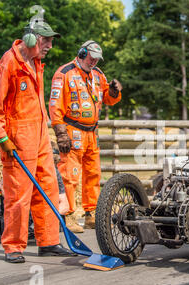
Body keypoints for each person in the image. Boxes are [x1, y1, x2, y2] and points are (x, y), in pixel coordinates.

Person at [0, 20, 75, 263]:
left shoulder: (35, 62)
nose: (50, 46)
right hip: (18, 137)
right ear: (32, 39)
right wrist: (2, 138)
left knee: (48, 188)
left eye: (51, 40)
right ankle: (13, 246)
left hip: (40, 135)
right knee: (18, 194)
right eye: (46, 40)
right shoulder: (10, 62)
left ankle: (49, 242)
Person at [49, 40, 122, 230]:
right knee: (70, 174)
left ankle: (92, 214)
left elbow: (107, 98)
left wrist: (114, 91)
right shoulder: (64, 73)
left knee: (93, 174)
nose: (94, 62)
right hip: (72, 130)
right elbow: (55, 106)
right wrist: (60, 133)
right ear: (82, 53)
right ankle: (67, 215)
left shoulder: (98, 75)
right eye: (91, 58)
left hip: (92, 132)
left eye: (97, 59)